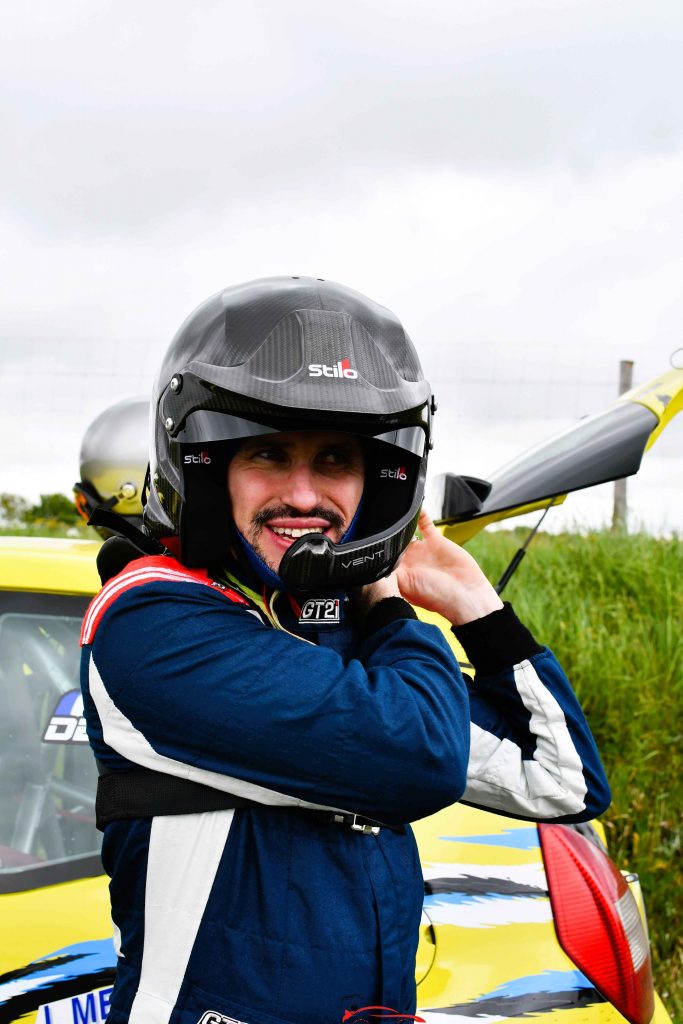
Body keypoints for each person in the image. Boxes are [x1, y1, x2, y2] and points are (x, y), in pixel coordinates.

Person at [80, 276, 610, 1024]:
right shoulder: (152, 620)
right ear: (206, 465)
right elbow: (421, 757)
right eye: (267, 454)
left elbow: (559, 783)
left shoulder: (344, 644)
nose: (303, 494)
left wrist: (475, 608)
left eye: (334, 460)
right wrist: (390, 603)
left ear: (376, 483)